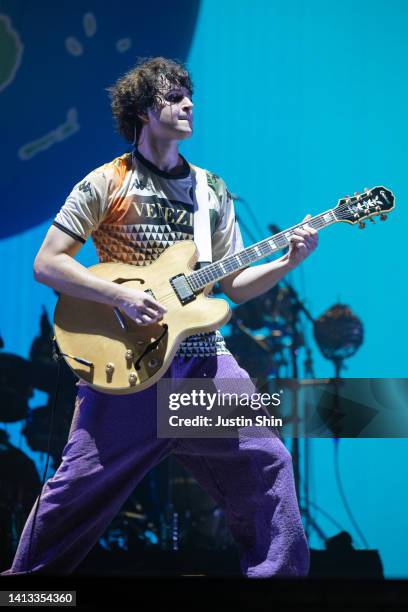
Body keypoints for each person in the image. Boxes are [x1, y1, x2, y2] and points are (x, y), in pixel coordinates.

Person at [2, 57, 317, 577]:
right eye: (174, 97)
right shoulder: (107, 181)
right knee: (75, 492)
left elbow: (232, 287)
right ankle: (23, 591)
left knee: (268, 465)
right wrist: (121, 298)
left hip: (202, 364)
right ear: (145, 111)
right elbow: (47, 263)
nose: (189, 104)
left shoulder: (211, 191)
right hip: (127, 370)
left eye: (189, 95)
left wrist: (287, 262)